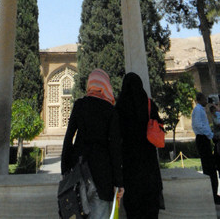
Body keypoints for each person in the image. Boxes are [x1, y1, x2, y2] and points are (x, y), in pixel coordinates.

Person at [61, 69, 124, 219]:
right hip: (102, 174)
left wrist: (65, 169)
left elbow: (68, 137)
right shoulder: (110, 111)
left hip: (79, 170)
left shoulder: (80, 105)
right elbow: (115, 148)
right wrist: (118, 182)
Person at [115, 72, 163, 219]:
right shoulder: (149, 104)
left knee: (133, 208)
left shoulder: (120, 107)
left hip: (130, 164)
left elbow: (117, 136)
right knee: (150, 207)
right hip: (149, 163)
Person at [191, 91, 220, 205]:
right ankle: (212, 194)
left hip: (204, 138)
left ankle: (213, 192)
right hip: (202, 138)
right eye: (205, 99)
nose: (207, 101)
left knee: (210, 167)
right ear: (200, 99)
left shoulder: (200, 110)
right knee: (209, 167)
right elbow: (199, 126)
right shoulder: (198, 110)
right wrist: (211, 135)